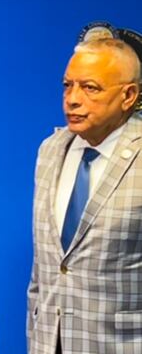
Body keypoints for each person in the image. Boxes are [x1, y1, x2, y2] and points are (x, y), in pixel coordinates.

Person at [27, 38, 142, 353]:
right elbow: (44, 268)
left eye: (90, 88)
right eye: (67, 85)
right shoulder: (50, 150)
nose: (72, 99)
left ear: (128, 95)